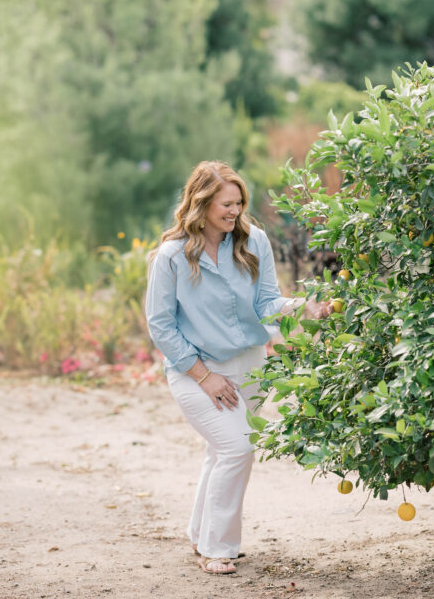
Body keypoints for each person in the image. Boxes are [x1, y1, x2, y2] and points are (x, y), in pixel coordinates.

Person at [145, 160, 332, 576]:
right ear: (202, 203)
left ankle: (200, 534)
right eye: (226, 204)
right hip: (196, 369)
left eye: (239, 203)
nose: (234, 211)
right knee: (236, 447)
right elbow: (160, 325)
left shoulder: (253, 241)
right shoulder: (172, 256)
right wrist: (204, 376)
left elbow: (268, 302)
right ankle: (218, 548)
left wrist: (307, 308)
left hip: (251, 365)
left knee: (222, 451)